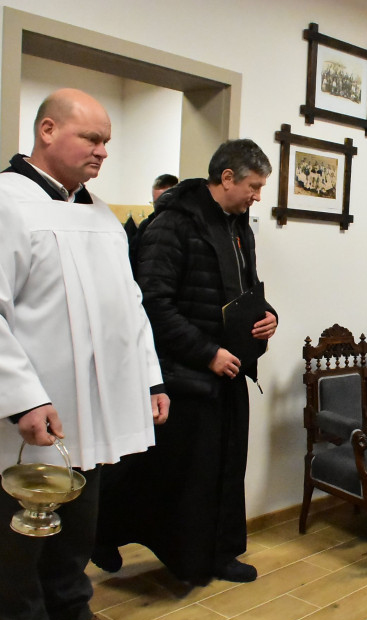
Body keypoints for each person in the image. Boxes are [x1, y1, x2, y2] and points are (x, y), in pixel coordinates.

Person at [0, 89, 170, 620]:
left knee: (79, 522)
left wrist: (148, 378)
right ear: (46, 130)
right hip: (32, 414)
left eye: (107, 142)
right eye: (92, 139)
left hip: (90, 409)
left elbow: (130, 306)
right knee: (21, 532)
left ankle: (71, 615)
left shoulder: (97, 214)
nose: (103, 152)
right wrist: (22, 396)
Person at [94, 139, 277, 586]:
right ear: (227, 177)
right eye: (253, 185)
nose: (258, 195)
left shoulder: (240, 227)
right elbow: (152, 304)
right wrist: (206, 352)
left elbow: (246, 288)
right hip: (184, 372)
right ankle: (103, 533)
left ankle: (218, 554)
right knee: (175, 476)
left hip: (230, 369)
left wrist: (268, 317)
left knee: (224, 469)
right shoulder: (171, 225)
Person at [127, 173, 179, 272]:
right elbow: (134, 260)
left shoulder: (187, 227)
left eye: (163, 201)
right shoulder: (146, 226)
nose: (158, 207)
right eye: (155, 203)